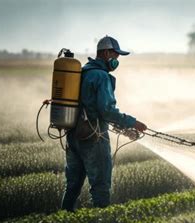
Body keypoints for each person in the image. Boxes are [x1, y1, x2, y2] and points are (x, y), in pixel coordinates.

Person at [61, 35, 147, 211]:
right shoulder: (101, 76)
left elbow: (93, 110)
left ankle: (63, 220)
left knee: (72, 186)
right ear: (106, 53)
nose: (117, 60)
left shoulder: (83, 71)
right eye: (116, 56)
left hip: (73, 136)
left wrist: (125, 130)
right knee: (100, 187)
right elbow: (106, 111)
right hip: (94, 139)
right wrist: (133, 122)